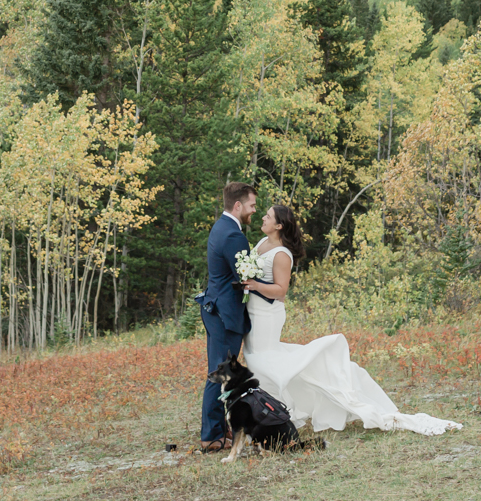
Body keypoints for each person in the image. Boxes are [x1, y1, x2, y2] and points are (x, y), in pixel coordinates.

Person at [239, 203, 462, 436]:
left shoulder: (282, 254)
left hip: (268, 315)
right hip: (253, 311)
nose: (263, 218)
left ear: (279, 225)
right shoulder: (261, 243)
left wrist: (254, 285)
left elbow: (281, 290)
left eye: (268, 216)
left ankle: (275, 412)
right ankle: (273, 410)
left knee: (261, 361)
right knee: (257, 359)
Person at [197, 181, 258, 452]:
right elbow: (244, 278)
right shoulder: (233, 235)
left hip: (215, 308)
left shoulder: (221, 226)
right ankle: (212, 436)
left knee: (220, 369)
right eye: (252, 205)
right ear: (238, 205)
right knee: (221, 372)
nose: (254, 210)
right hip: (224, 313)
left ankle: (216, 431)